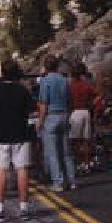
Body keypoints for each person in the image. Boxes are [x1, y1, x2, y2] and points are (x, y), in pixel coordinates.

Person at [0, 58, 36, 221]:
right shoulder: (23, 90)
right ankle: (24, 208)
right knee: (22, 169)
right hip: (21, 133)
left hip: (1, 134)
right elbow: (32, 112)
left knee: (1, 169)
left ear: (3, 72)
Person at [38, 54, 75, 192]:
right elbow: (70, 100)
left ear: (46, 67)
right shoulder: (64, 80)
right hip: (64, 114)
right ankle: (71, 180)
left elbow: (43, 104)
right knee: (66, 151)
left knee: (53, 152)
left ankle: (58, 182)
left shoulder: (45, 81)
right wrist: (68, 114)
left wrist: (40, 122)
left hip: (51, 116)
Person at [68, 63, 98, 174]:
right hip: (86, 112)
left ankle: (79, 163)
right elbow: (97, 94)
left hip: (76, 112)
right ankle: (87, 163)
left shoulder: (71, 86)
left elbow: (68, 100)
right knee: (86, 140)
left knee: (75, 141)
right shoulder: (85, 85)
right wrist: (92, 105)